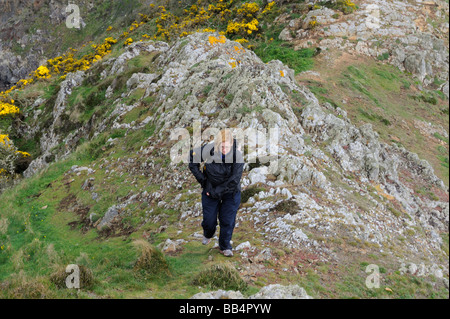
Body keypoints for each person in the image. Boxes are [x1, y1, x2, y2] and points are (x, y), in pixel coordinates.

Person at [188, 129, 244, 257]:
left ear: (232, 144)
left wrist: (217, 191)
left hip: (231, 192)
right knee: (209, 221)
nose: (224, 149)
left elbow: (235, 180)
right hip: (210, 189)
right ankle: (208, 233)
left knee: (227, 220)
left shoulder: (237, 156)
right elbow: (192, 158)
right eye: (222, 146)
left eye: (227, 147)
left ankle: (224, 246)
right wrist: (203, 181)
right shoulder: (208, 150)